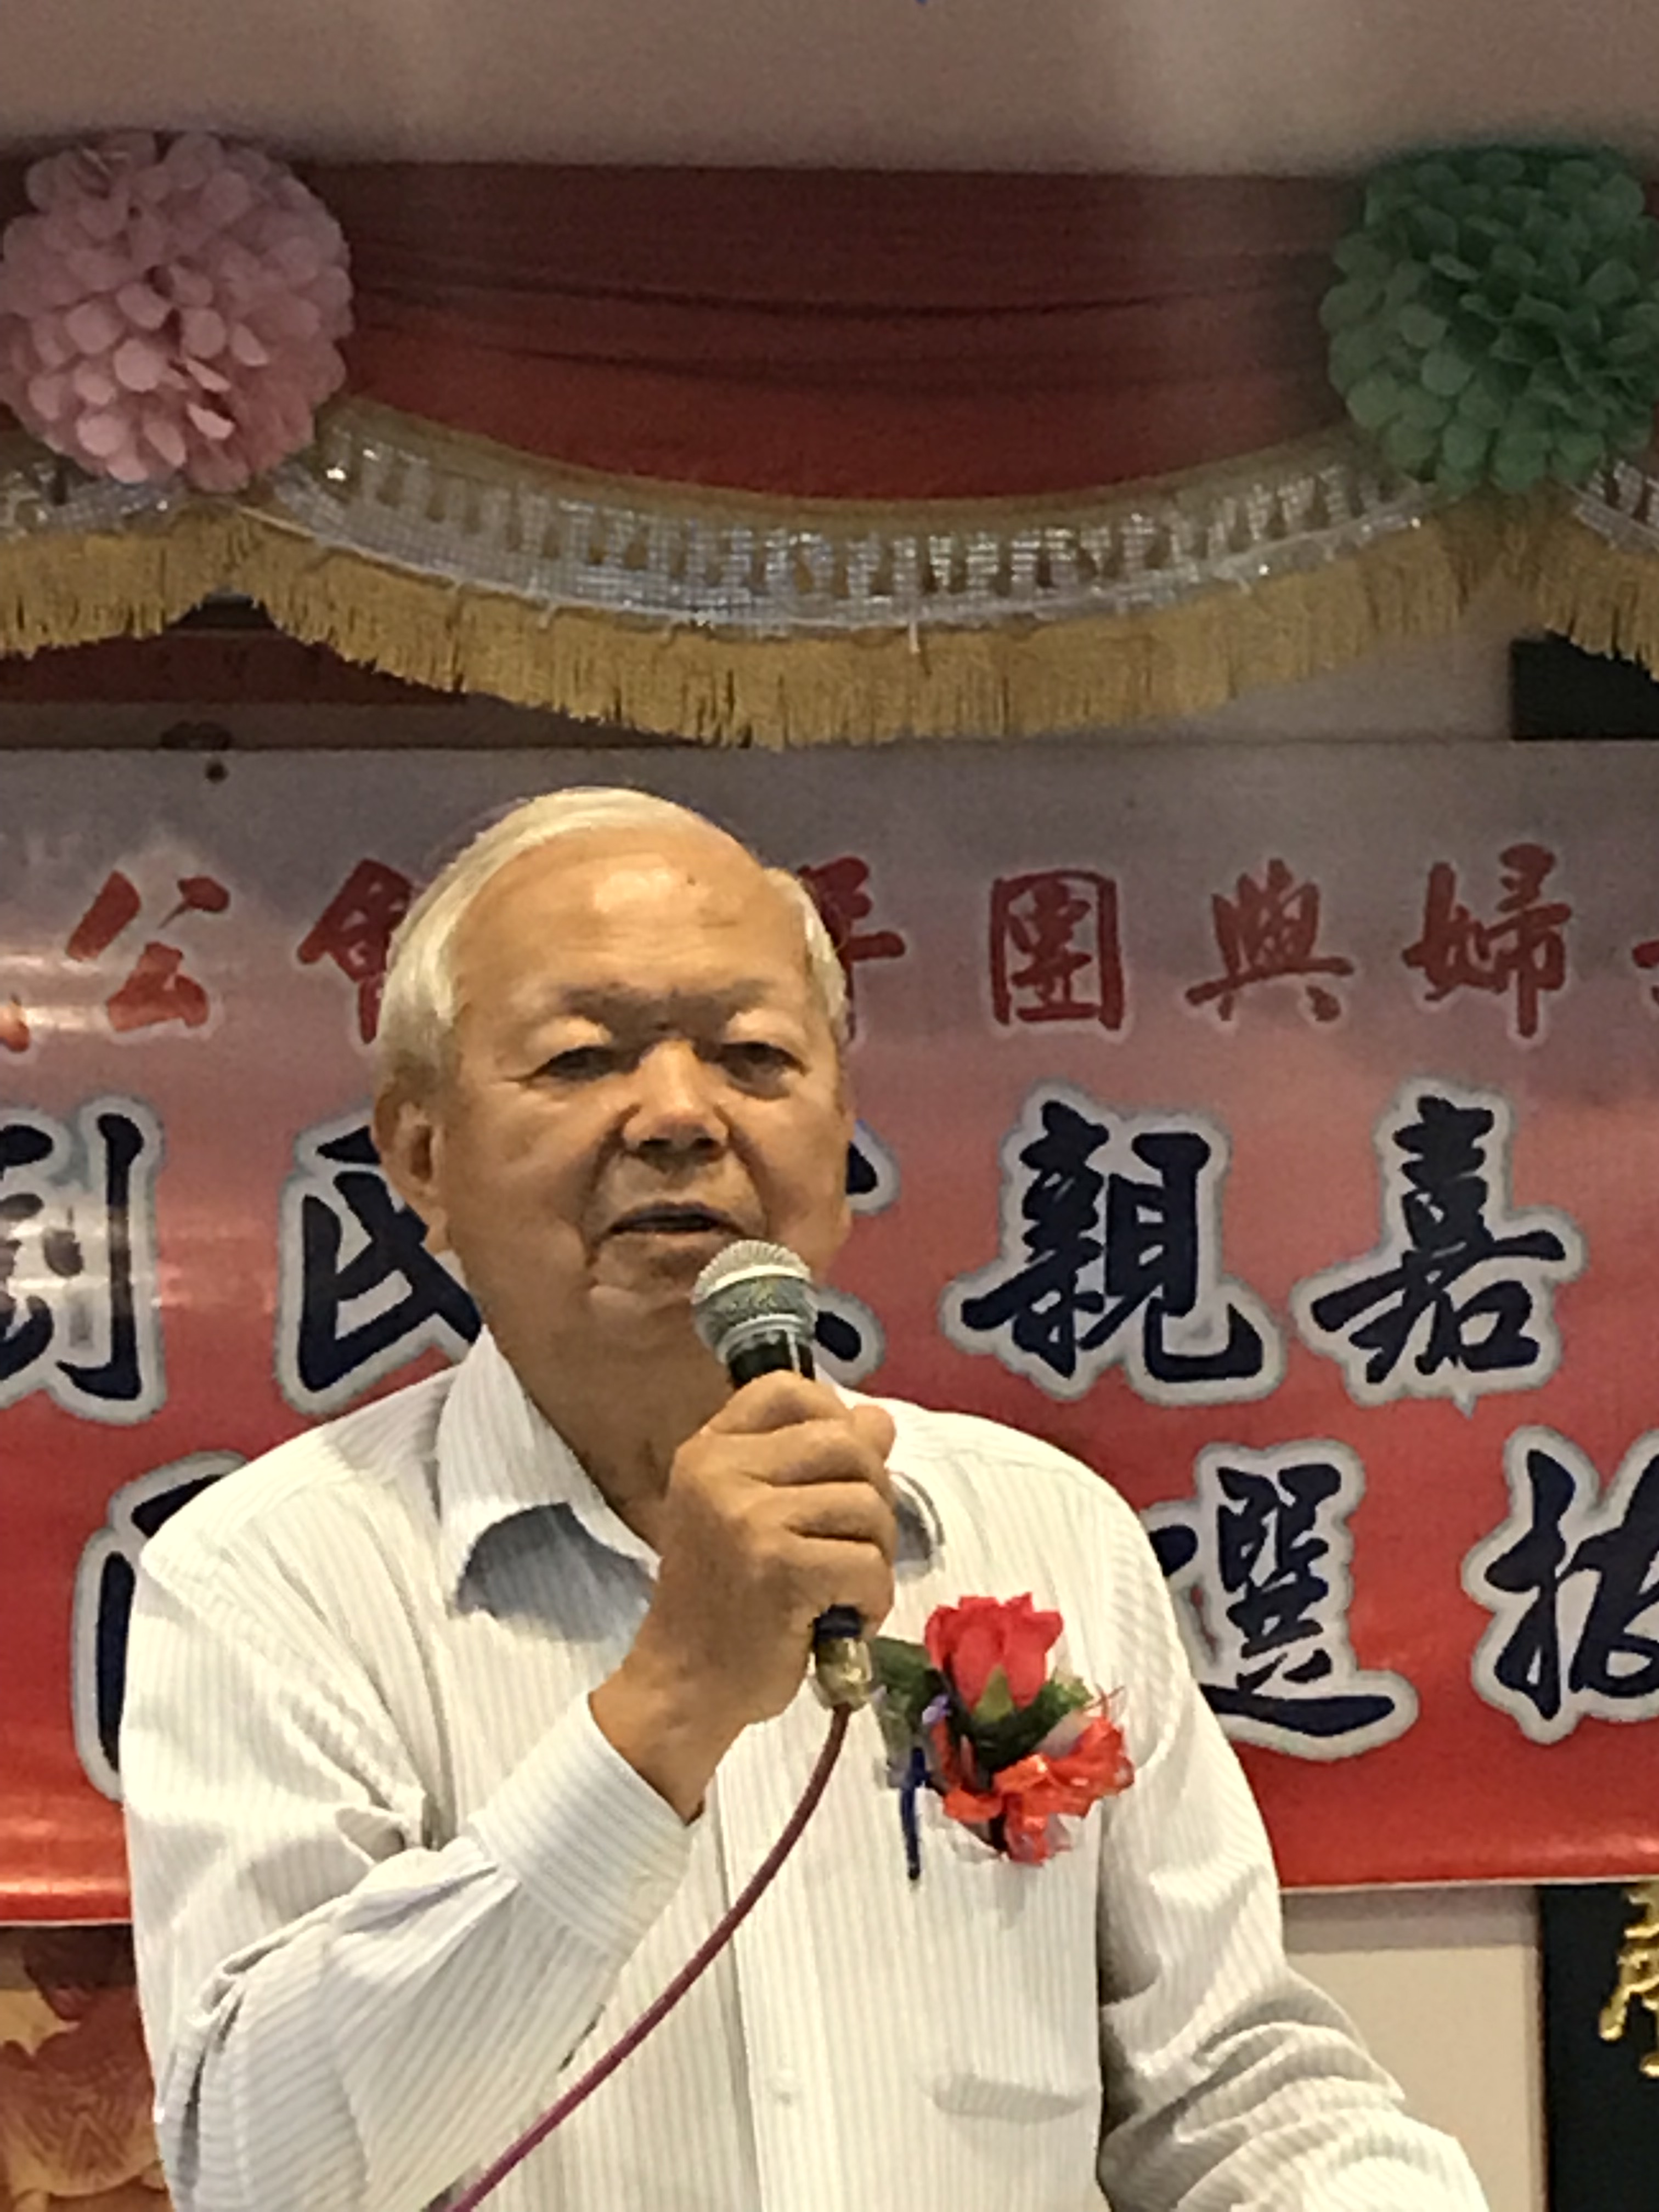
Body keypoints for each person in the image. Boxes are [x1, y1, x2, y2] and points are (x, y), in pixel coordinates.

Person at [121, 788, 1490, 2212]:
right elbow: (268, 2174)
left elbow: (1231, 2093)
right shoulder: (273, 1576)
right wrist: (670, 1702)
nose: (679, 1116)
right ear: (422, 1158)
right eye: (583, 1056)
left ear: (840, 1131)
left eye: (754, 1056)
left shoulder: (1044, 1528)